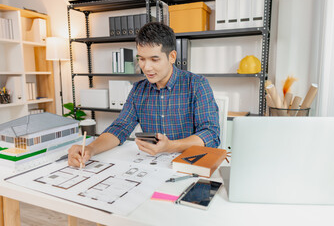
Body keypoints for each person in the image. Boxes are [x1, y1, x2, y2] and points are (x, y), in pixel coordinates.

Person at [68, 22, 220, 167]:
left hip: (189, 165)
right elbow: (120, 128)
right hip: (152, 165)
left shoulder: (196, 85)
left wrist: (170, 146)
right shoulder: (138, 90)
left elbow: (211, 134)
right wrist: (90, 149)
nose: (146, 67)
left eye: (154, 59)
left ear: (172, 57)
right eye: (141, 59)